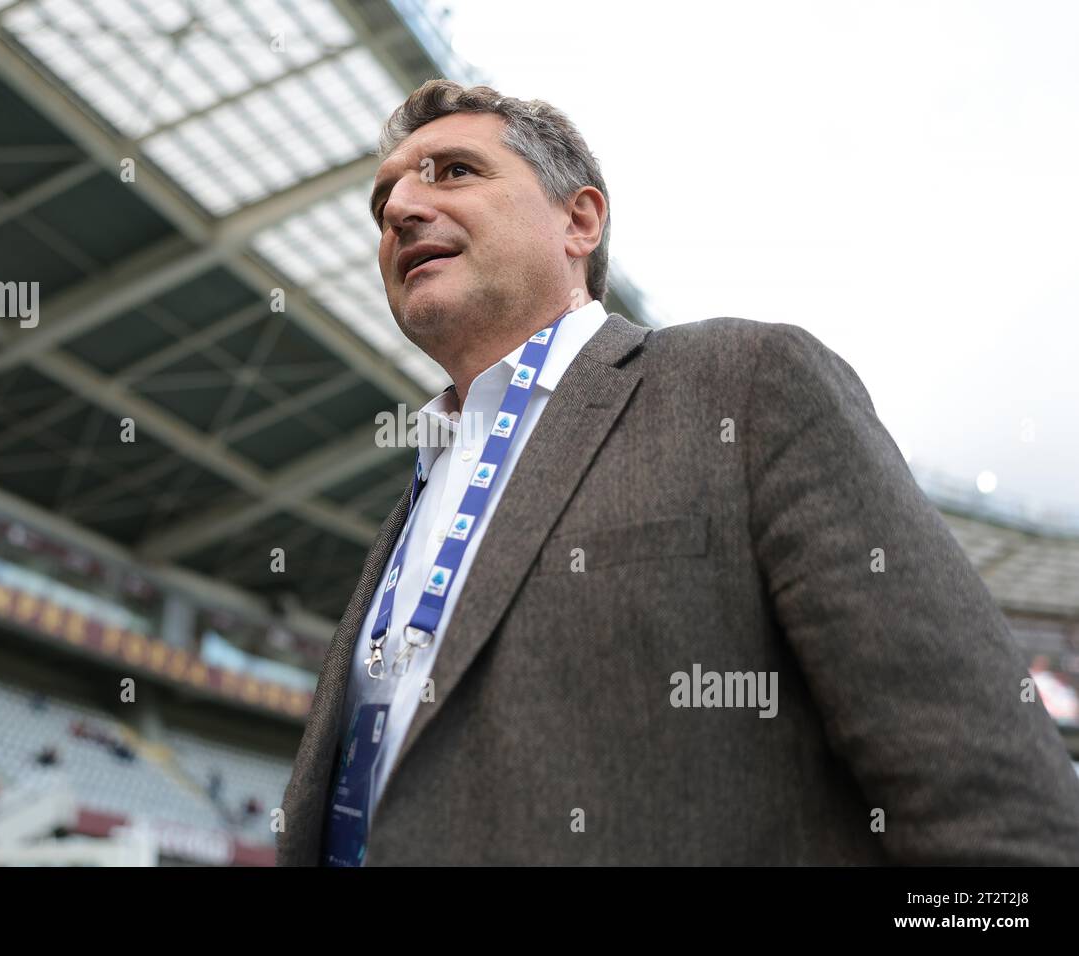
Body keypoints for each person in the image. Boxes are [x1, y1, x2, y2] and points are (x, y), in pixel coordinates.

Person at [277, 80, 1079, 866]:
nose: (401, 211)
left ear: (580, 220)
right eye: (384, 201)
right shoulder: (414, 500)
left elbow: (990, 796)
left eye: (453, 172)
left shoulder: (743, 383)